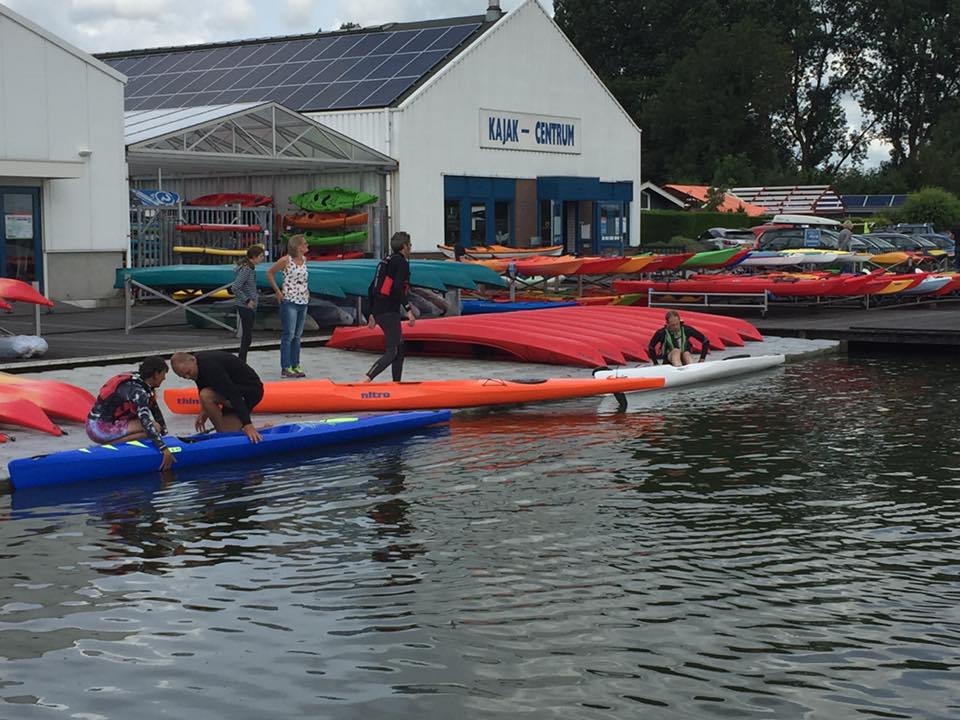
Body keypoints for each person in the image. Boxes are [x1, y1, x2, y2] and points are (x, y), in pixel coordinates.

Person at [86, 356, 174, 470]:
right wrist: (163, 448)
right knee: (154, 427)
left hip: (94, 424)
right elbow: (145, 422)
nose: (164, 378)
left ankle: (113, 444)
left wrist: (166, 437)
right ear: (156, 374)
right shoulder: (138, 391)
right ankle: (109, 446)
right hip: (99, 429)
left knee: (157, 428)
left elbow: (155, 409)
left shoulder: (140, 381)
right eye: (163, 374)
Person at [170, 351, 263, 443]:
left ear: (193, 360)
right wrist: (204, 410)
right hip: (231, 394)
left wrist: (248, 424)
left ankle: (222, 436)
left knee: (206, 395)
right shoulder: (197, 366)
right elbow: (202, 384)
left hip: (250, 392)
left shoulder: (209, 365)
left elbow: (233, 394)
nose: (187, 377)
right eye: (183, 377)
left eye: (188, 372)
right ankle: (264, 429)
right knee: (230, 431)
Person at [363, 231, 416, 382]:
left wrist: (371, 313)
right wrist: (408, 310)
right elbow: (398, 288)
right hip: (389, 312)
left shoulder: (385, 261)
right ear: (404, 246)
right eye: (410, 245)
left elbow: (372, 287)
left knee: (399, 349)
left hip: (381, 310)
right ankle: (366, 379)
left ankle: (396, 384)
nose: (411, 248)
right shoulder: (401, 263)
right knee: (392, 351)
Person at [266, 234, 310, 378]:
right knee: (288, 334)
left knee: (297, 335)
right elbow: (270, 272)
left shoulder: (304, 260)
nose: (307, 245)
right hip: (289, 300)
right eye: (304, 243)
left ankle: (295, 364)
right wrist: (278, 292)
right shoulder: (286, 260)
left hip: (303, 300)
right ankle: (286, 366)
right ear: (298, 246)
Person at [231, 243, 265, 363]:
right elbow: (235, 287)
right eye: (260, 256)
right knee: (247, 336)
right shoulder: (246, 270)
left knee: (248, 335)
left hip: (250, 305)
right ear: (254, 257)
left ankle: (242, 360)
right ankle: (241, 361)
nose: (262, 259)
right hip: (245, 306)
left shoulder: (250, 269)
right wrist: (247, 300)